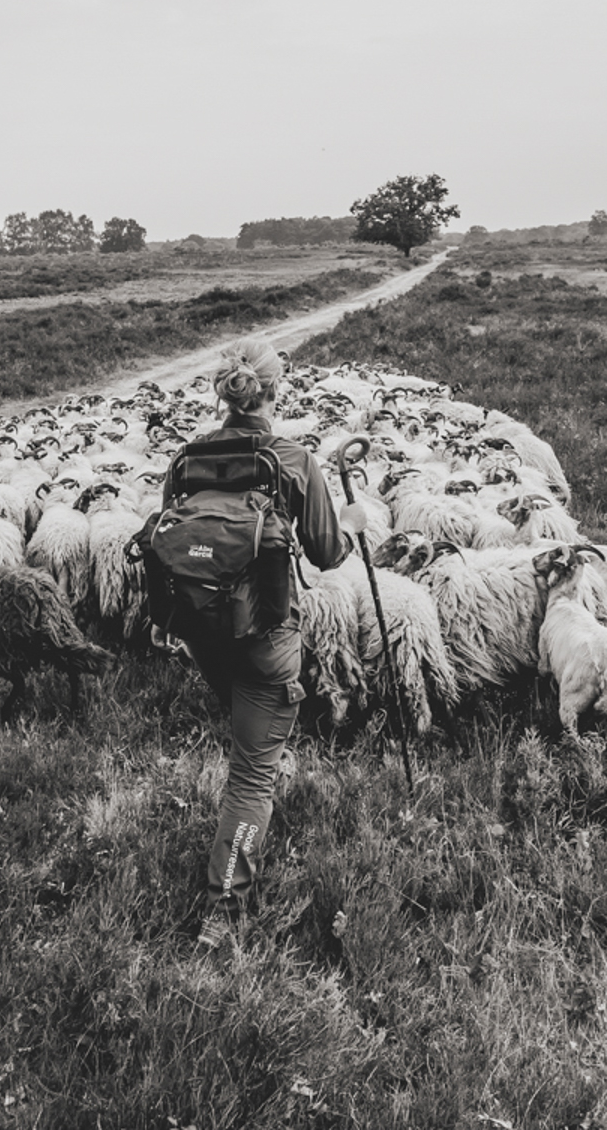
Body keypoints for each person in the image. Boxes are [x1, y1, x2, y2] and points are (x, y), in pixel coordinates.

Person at [166, 340, 366, 950]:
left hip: (203, 633)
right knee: (251, 778)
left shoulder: (186, 458)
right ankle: (224, 908)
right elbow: (329, 553)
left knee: (250, 737)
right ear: (276, 391)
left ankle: (261, 756)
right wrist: (353, 527)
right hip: (267, 636)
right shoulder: (292, 459)